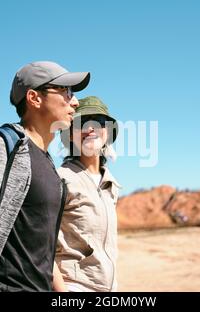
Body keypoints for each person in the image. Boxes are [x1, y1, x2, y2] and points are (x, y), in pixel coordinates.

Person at [0, 61, 90, 292]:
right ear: (34, 98)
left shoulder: (47, 161)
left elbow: (43, 251)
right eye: (66, 91)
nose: (75, 102)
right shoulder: (1, 147)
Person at [54, 96, 121, 292]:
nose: (90, 128)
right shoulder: (59, 179)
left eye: (98, 122)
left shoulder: (111, 185)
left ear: (107, 132)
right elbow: (42, 247)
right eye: (82, 122)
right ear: (70, 135)